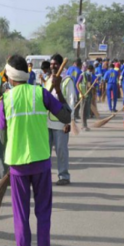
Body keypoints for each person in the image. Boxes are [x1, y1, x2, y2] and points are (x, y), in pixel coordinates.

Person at [0, 55, 71, 246]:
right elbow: (66, 117)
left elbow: (2, 134)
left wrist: (11, 153)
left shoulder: (6, 100)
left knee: (21, 216)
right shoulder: (41, 93)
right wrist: (59, 91)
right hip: (41, 163)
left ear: (10, 77)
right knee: (43, 215)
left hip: (18, 166)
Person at [47, 54, 76, 186]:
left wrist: (68, 122)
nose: (53, 66)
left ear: (60, 65)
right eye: (51, 64)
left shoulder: (67, 81)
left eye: (55, 64)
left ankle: (63, 175)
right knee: (45, 152)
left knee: (61, 151)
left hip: (60, 122)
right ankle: (45, 177)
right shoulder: (48, 79)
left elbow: (71, 102)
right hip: (46, 122)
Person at [77, 64, 94, 131]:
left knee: (86, 111)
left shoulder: (89, 75)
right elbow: (77, 84)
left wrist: (91, 87)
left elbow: (88, 85)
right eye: (91, 71)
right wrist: (81, 93)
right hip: (82, 96)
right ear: (90, 70)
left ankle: (85, 125)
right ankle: (83, 126)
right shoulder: (82, 75)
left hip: (87, 95)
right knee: (83, 111)